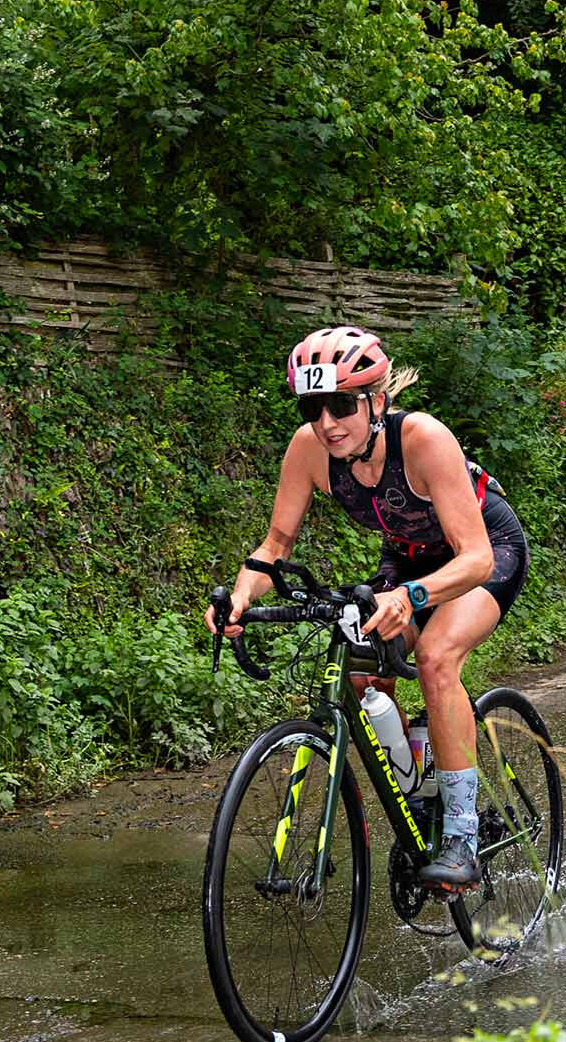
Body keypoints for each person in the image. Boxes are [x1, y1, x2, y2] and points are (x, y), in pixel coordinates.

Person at [206, 326, 529, 889]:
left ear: (376, 400)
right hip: (403, 559)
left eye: (340, 405)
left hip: (483, 550)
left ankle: (461, 836)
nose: (327, 423)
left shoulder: (424, 439)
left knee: (435, 656)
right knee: (360, 667)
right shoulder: (309, 450)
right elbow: (274, 549)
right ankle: (418, 779)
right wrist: (240, 595)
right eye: (313, 407)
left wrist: (411, 597)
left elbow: (474, 558)